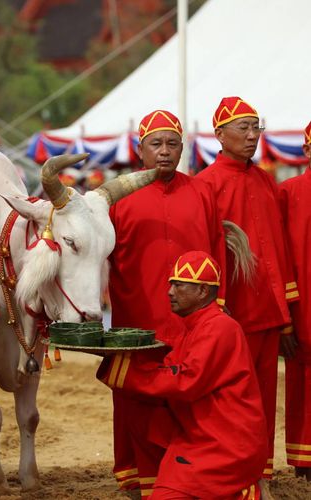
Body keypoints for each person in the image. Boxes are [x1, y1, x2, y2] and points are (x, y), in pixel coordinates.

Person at [106, 110, 227, 497]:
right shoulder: (116, 198)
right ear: (139, 149)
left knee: (193, 399)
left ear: (182, 148)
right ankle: (138, 479)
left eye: (172, 144)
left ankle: (188, 475)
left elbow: (217, 253)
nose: (164, 152)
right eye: (155, 144)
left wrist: (217, 307)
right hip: (137, 319)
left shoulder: (202, 192)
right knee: (137, 399)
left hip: (194, 323)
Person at [99, 250, 267, 499]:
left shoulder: (220, 328)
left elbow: (184, 381)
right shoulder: (195, 328)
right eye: (170, 284)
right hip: (200, 436)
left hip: (222, 445)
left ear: (203, 291)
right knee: (137, 407)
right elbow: (171, 371)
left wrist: (123, 370)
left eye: (178, 285)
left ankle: (243, 489)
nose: (169, 292)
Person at [196, 97, 298, 479]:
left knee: (264, 400)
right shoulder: (205, 184)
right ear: (219, 135)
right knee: (228, 399)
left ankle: (261, 475)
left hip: (268, 313)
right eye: (244, 128)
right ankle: (229, 474)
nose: (253, 136)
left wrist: (285, 314)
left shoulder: (266, 181)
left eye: (257, 128)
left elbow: (281, 249)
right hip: (230, 311)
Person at [279, 122, 311, 480]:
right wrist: (285, 315)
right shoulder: (287, 192)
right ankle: (305, 463)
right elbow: (278, 253)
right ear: (307, 151)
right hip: (304, 308)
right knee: (303, 381)